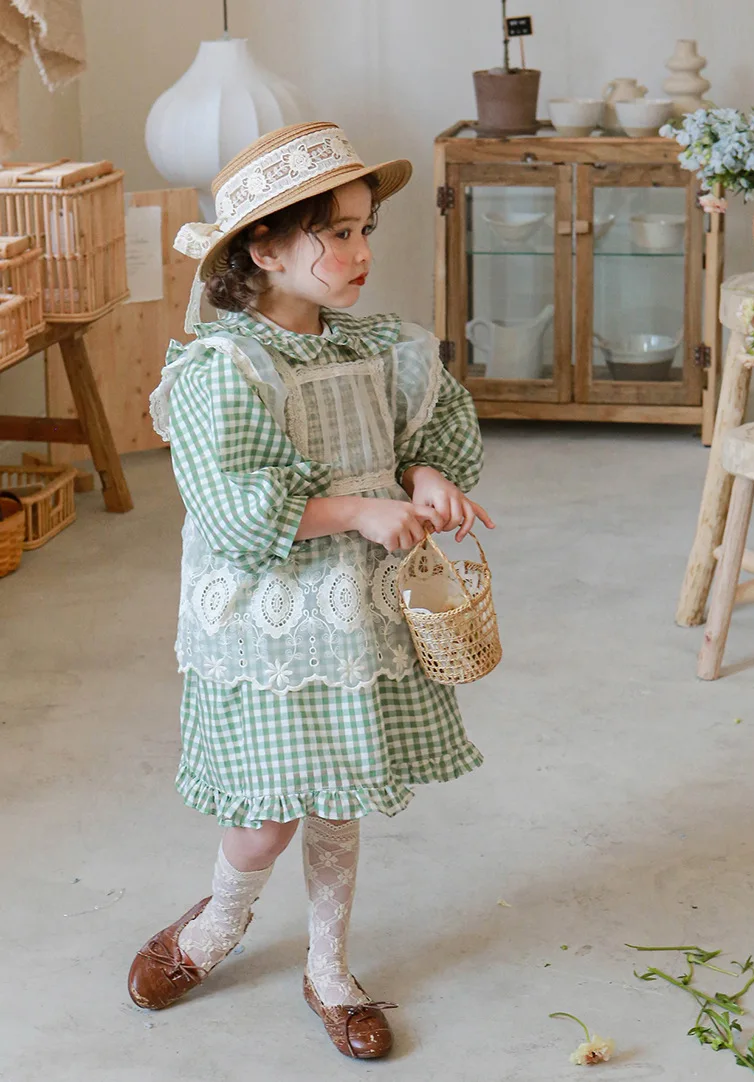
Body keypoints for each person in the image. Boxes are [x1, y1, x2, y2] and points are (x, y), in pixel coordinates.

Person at [128, 121, 494, 1060]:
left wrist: (425, 479)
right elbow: (236, 511)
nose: (361, 252)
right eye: (337, 233)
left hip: (353, 622)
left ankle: (330, 970)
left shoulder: (379, 347)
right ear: (264, 249)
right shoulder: (224, 368)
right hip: (271, 625)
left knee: (337, 802)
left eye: (365, 229)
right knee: (264, 819)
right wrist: (362, 511)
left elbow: (424, 434)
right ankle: (218, 921)